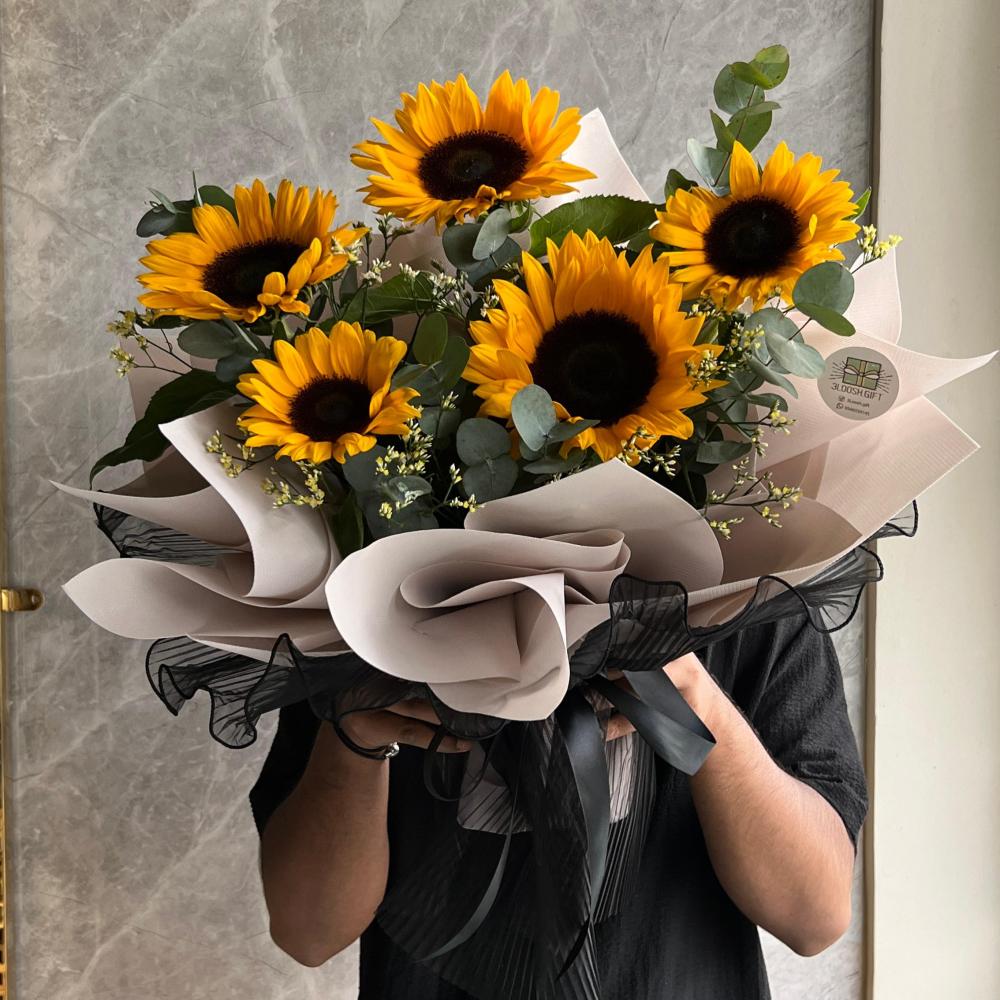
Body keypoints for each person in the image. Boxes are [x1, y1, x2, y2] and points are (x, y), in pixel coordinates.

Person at [249, 613, 868, 999]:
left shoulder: (752, 603)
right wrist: (352, 736)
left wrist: (699, 707)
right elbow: (309, 933)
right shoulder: (360, 608)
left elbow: (812, 917)